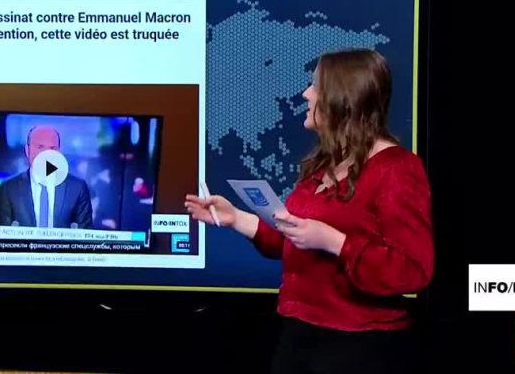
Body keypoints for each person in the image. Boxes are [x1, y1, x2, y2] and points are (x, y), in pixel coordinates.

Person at [185, 49, 433, 374]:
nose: (306, 93)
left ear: (343, 97)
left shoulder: (397, 169)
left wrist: (336, 242)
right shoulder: (323, 165)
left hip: (360, 345)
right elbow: (293, 240)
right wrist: (235, 218)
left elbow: (413, 270)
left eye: (315, 85)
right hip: (299, 334)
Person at [0, 125, 93, 228]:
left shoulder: (77, 188)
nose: (46, 154)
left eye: (52, 148)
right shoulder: (8, 188)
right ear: (27, 150)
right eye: (40, 147)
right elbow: (2, 234)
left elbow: (85, 234)